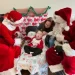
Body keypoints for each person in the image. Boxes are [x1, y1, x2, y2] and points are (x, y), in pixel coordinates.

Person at [46, 7, 72, 75]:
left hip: (65, 44)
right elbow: (55, 31)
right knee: (50, 43)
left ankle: (59, 68)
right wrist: (49, 34)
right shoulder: (57, 24)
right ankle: (57, 68)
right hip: (58, 41)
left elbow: (68, 38)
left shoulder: (68, 27)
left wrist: (63, 39)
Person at [0, 10, 24, 75]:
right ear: (12, 20)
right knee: (9, 51)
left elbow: (16, 30)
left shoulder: (14, 24)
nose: (19, 24)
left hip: (9, 41)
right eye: (18, 23)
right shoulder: (3, 26)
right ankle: (7, 70)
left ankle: (15, 65)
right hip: (2, 43)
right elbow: (9, 40)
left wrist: (16, 33)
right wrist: (17, 41)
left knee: (17, 48)